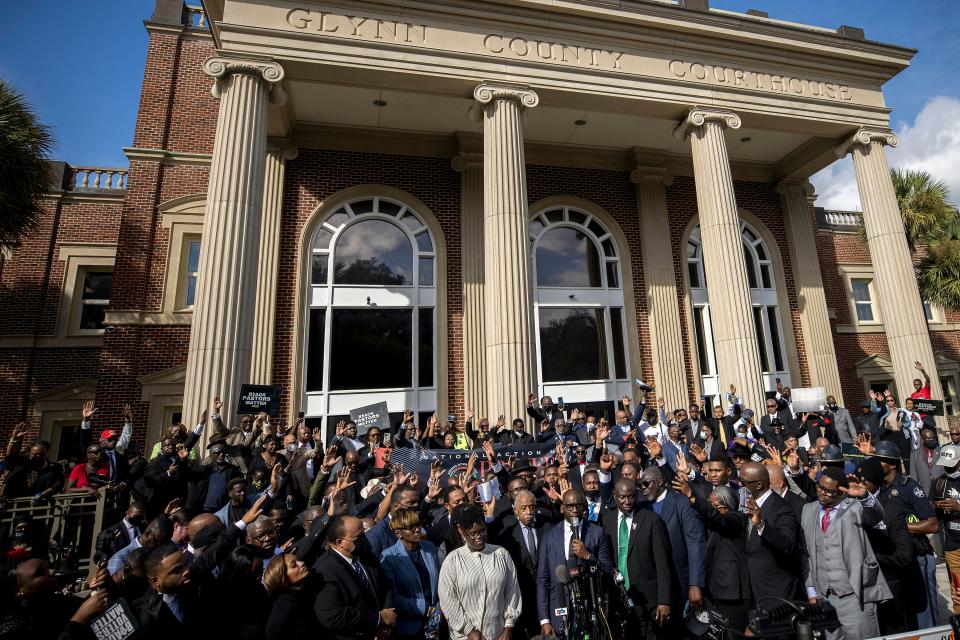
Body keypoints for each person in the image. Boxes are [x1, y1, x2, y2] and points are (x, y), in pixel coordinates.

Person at [801, 467, 891, 640]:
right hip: (824, 599)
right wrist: (812, 591)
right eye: (820, 487)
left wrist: (864, 496)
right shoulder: (808, 510)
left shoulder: (855, 507)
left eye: (829, 491)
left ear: (841, 492)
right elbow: (808, 554)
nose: (821, 493)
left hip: (855, 597)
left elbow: (876, 515)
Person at [872, 440, 941, 628]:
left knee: (925, 613)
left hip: (918, 556)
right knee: (907, 615)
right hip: (897, 560)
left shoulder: (908, 486)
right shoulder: (878, 489)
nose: (876, 464)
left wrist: (898, 527)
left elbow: (933, 525)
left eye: (880, 460)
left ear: (892, 464)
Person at [536, 488, 614, 637]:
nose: (574, 509)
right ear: (562, 507)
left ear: (584, 507)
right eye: (569, 506)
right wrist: (544, 619)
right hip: (560, 608)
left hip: (591, 607)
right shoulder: (549, 536)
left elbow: (608, 569)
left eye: (578, 505)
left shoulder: (597, 533)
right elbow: (543, 579)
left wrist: (588, 555)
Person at [602, 477, 673, 638]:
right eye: (622, 497)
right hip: (618, 598)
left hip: (648, 601)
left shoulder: (651, 520)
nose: (627, 501)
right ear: (615, 495)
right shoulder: (607, 520)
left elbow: (663, 564)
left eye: (631, 496)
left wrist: (664, 600)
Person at [438, 504, 522, 640]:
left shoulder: (501, 554)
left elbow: (512, 592)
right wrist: (469, 631)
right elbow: (448, 600)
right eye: (473, 533)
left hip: (498, 634)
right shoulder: (453, 560)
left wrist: (508, 627)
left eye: (483, 531)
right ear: (461, 531)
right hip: (465, 637)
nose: (479, 536)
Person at [312, 514, 397, 639]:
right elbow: (334, 616)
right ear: (340, 542)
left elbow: (385, 586)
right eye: (359, 537)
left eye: (364, 533)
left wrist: (387, 618)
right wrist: (379, 619)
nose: (364, 539)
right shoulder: (325, 571)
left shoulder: (366, 555)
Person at [638, 466, 705, 611]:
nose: (643, 488)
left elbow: (695, 544)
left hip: (679, 580)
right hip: (653, 584)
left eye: (646, 483)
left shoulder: (681, 502)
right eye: (640, 485)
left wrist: (695, 584)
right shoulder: (641, 507)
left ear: (660, 482)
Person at [738, 462, 804, 605]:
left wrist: (761, 525)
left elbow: (788, 544)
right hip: (755, 588)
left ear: (759, 485)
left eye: (743, 482)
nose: (740, 485)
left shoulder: (781, 508)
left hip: (776, 591)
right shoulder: (747, 503)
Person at [495, 489, 552, 639]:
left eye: (532, 507)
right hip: (520, 598)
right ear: (515, 511)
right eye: (523, 508)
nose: (528, 512)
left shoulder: (547, 528)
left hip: (546, 596)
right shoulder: (507, 536)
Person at [381, 508, 441, 639]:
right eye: (411, 527)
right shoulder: (389, 557)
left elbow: (441, 581)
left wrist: (438, 609)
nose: (417, 529)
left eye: (418, 525)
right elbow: (394, 597)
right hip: (408, 629)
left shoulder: (429, 548)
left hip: (436, 623)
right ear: (398, 533)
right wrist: (426, 608)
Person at [134, 544, 202, 638]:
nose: (186, 571)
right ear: (155, 580)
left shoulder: (193, 585)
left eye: (185, 565)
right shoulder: (147, 616)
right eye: (177, 570)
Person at [931, 443, 960, 614]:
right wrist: (937, 508)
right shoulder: (940, 482)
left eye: (952, 465)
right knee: (957, 592)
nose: (948, 469)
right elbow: (935, 517)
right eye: (946, 466)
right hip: (952, 546)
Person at [264, 553, 319, 640]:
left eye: (298, 560)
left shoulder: (303, 593)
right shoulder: (284, 609)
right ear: (283, 578)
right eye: (294, 565)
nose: (301, 563)